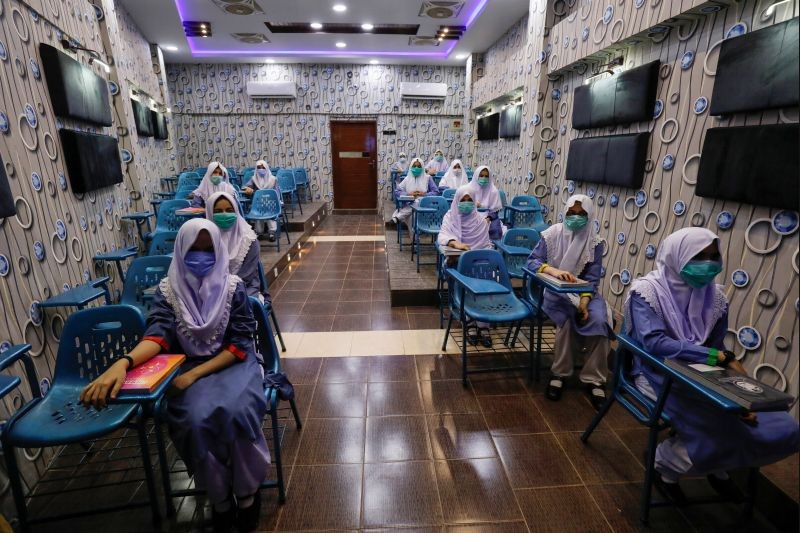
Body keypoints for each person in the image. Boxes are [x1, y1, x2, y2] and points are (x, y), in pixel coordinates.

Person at [80, 219, 270, 533]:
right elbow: (157, 337)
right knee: (194, 420)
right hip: (186, 365)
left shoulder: (232, 287)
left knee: (235, 411)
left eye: (209, 249)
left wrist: (194, 376)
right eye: (194, 249)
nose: (202, 256)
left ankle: (247, 495)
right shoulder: (169, 292)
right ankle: (220, 498)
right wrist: (123, 363)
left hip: (233, 365)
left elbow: (239, 346)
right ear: (181, 250)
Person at [625, 227, 799, 503]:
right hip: (656, 370)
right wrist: (713, 358)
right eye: (698, 256)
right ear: (677, 256)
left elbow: (716, 346)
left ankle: (718, 467)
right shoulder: (647, 292)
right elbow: (655, 344)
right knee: (721, 425)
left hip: (702, 372)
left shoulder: (715, 297)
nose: (707, 264)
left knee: (776, 424)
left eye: (712, 256)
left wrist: (734, 383)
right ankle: (665, 464)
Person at [526, 194, 612, 409]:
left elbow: (592, 279)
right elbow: (532, 262)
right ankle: (560, 373)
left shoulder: (595, 242)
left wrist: (584, 302)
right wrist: (554, 270)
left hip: (585, 293)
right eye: (571, 213)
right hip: (553, 290)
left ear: (590, 216)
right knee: (567, 321)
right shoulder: (552, 234)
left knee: (600, 321)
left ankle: (595, 379)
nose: (575, 218)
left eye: (582, 214)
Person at [438, 185, 494, 347]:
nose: (467, 203)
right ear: (457, 200)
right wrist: (456, 244)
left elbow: (486, 246)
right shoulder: (450, 216)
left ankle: (483, 325)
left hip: (479, 265)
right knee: (466, 286)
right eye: (463, 200)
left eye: (470, 200)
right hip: (457, 263)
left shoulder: (480, 221)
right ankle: (469, 322)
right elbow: (443, 235)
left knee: (485, 283)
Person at [206, 192, 270, 305]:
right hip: (211, 289)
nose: (224, 214)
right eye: (218, 211)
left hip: (244, 289)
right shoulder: (205, 240)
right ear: (210, 213)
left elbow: (246, 277)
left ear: (236, 211)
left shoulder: (249, 240)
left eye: (229, 210)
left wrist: (225, 292)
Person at [391, 157, 438, 237]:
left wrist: (424, 194)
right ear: (411, 167)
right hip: (410, 203)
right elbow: (397, 191)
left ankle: (398, 217)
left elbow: (436, 192)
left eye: (419, 166)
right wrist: (408, 194)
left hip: (424, 205)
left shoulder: (428, 178)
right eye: (414, 166)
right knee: (412, 215)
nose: (416, 168)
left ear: (422, 167)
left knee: (417, 203)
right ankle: (415, 239)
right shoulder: (407, 179)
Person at [242, 160, 281, 241]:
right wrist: (248, 189)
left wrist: (275, 201)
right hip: (258, 203)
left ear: (266, 168)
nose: (261, 169)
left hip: (271, 202)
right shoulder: (254, 179)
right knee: (258, 213)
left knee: (271, 212)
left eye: (263, 167)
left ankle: (272, 232)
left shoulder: (273, 179)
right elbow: (244, 187)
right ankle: (259, 232)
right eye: (259, 168)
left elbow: (277, 193)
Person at [467, 165, 504, 240]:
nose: (484, 178)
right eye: (481, 176)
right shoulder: (468, 189)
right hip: (471, 215)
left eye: (486, 176)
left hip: (488, 217)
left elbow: (494, 211)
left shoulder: (493, 191)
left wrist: (488, 219)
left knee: (494, 229)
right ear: (476, 176)